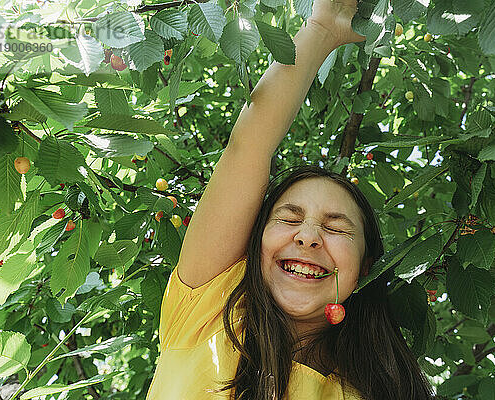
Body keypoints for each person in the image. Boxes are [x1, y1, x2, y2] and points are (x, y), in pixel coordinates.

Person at [145, 0, 436, 398]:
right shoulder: (208, 308)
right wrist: (322, 28)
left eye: (336, 227)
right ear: (255, 242)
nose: (308, 237)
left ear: (366, 265)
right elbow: (247, 147)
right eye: (288, 218)